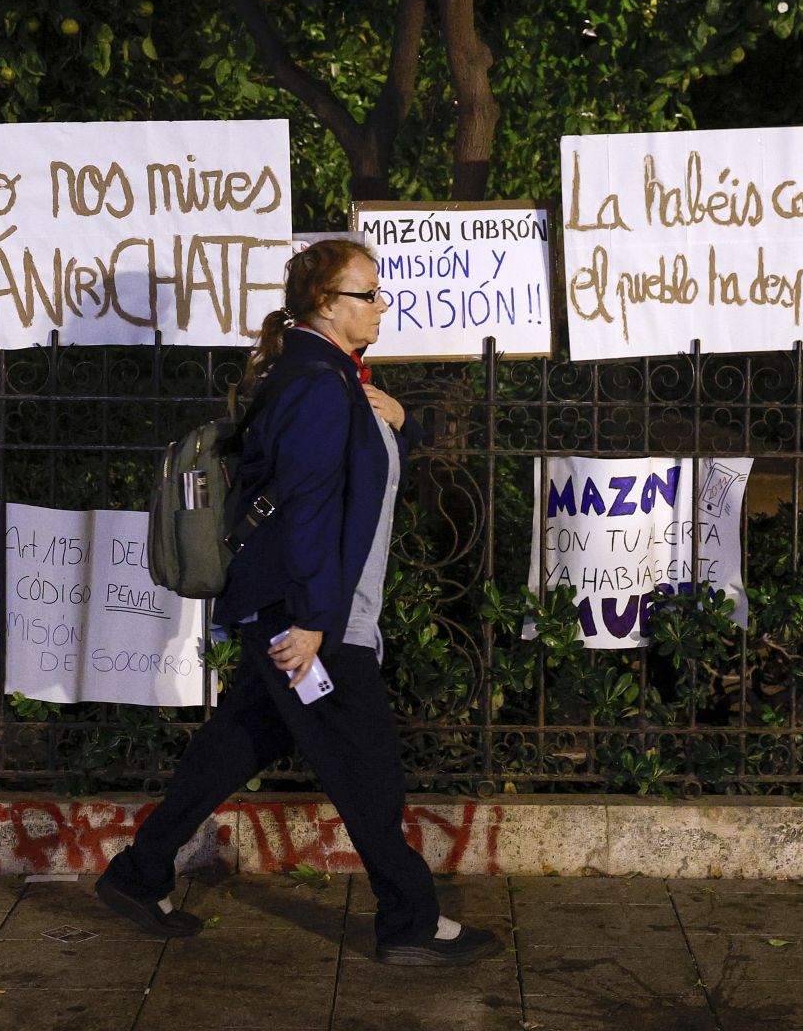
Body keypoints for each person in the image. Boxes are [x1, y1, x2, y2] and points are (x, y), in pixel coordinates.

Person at [97, 239, 501, 966]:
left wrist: (401, 426)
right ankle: (409, 922)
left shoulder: (327, 376)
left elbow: (358, 482)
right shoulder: (318, 383)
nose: (382, 306)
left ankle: (138, 872)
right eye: (367, 294)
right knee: (365, 764)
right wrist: (315, 621)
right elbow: (310, 508)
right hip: (309, 617)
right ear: (324, 303)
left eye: (379, 293)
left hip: (297, 608)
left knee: (239, 743)